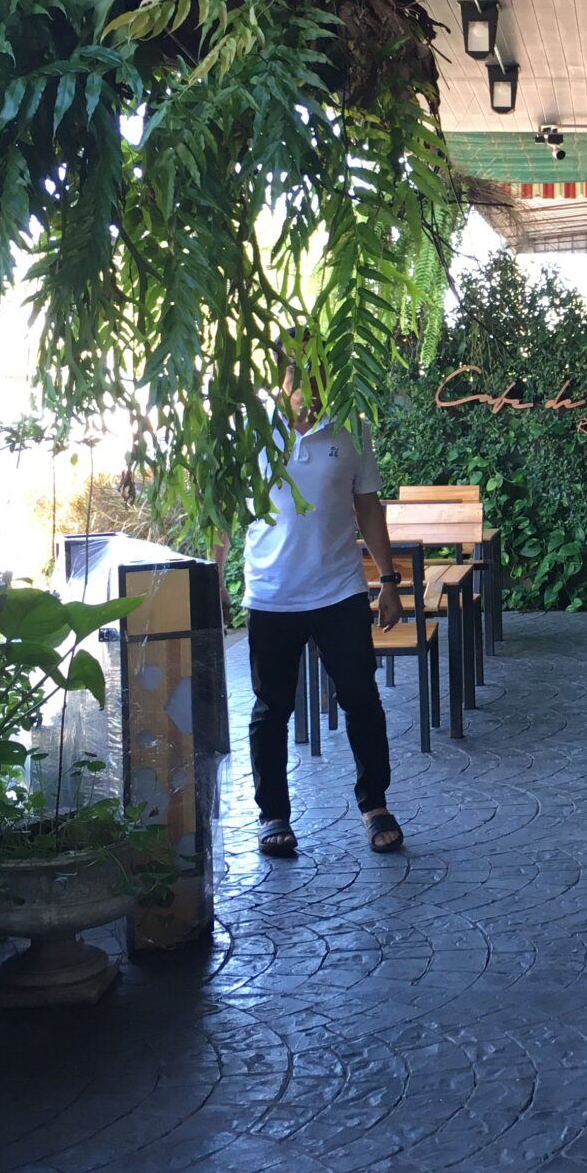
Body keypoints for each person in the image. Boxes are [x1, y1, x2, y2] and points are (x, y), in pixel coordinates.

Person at [222, 358, 406, 859]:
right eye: (300, 377)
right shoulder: (250, 429)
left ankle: (375, 804)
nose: (312, 387)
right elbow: (226, 507)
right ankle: (273, 815)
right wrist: (215, 578)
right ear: (280, 379)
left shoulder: (351, 427)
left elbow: (368, 507)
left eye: (322, 374)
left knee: (361, 698)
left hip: (339, 589)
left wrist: (388, 581)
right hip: (272, 592)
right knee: (271, 708)